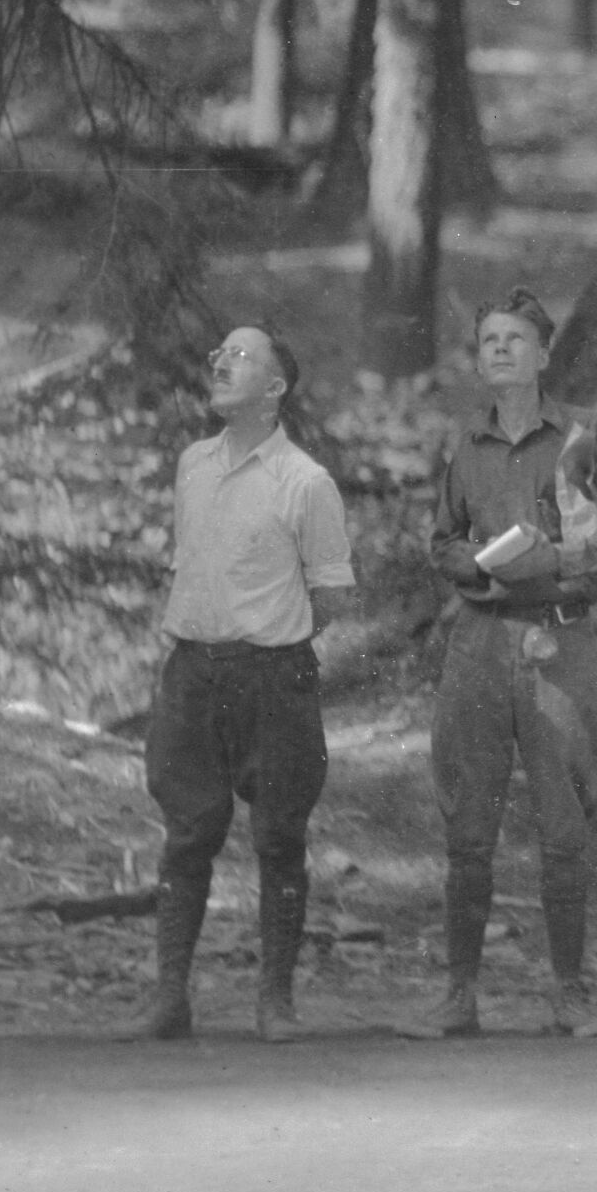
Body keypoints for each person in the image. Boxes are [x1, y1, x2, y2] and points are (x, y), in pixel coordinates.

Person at [412, 289, 597, 1041]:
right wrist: (477, 569)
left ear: (544, 354)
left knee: (565, 822)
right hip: (482, 641)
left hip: (560, 639)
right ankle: (459, 995)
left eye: (515, 338)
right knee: (468, 822)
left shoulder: (583, 434)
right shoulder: (467, 441)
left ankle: (571, 994)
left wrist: (562, 557)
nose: (500, 349)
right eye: (489, 339)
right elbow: (443, 538)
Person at [138, 325, 355, 1044]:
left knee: (280, 834)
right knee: (187, 832)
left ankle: (276, 1002)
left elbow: (331, 594)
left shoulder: (305, 481)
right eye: (218, 354)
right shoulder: (193, 465)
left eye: (240, 356)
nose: (219, 363)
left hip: (271, 677)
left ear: (275, 387)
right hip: (191, 674)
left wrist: (269, 636)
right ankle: (170, 999)